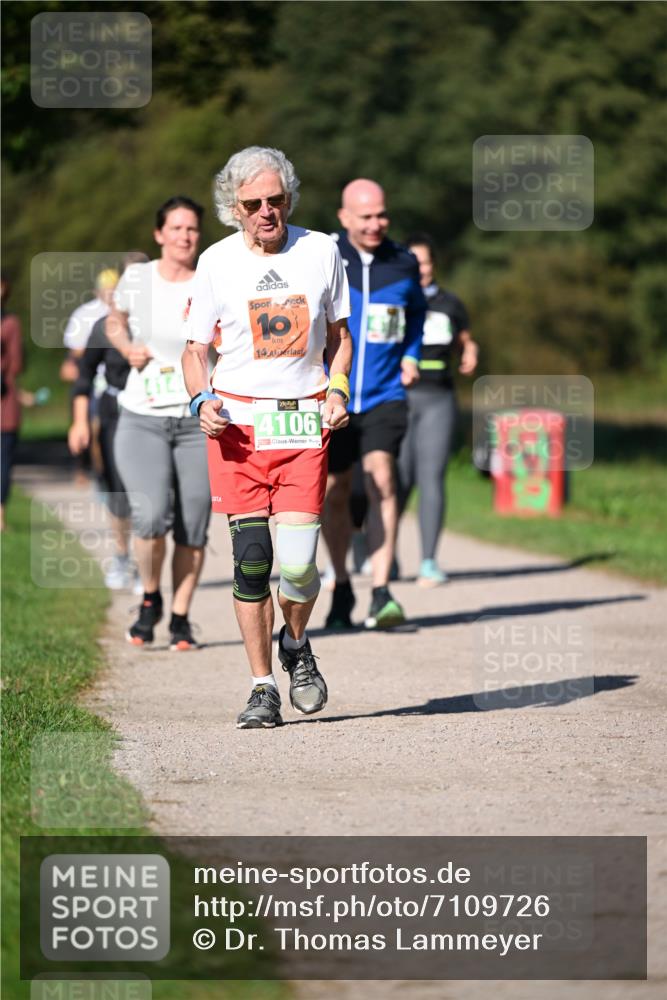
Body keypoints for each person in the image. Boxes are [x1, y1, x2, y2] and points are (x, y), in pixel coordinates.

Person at [182, 146, 352, 729]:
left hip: (302, 424)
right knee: (252, 563)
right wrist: (201, 400)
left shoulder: (321, 250)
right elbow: (195, 350)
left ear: (289, 199)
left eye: (275, 200)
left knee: (300, 568)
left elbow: (340, 336)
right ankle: (262, 688)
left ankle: (295, 643)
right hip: (238, 431)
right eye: (252, 204)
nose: (265, 212)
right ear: (233, 207)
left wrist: (337, 390)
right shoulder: (215, 261)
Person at [107, 197, 210, 650]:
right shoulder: (139, 278)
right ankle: (151, 598)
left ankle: (181, 617)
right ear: (159, 234)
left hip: (196, 420)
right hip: (142, 417)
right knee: (149, 516)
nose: (185, 236)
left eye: (192, 228)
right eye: (176, 228)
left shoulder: (211, 278)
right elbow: (114, 321)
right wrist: (127, 347)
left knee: (194, 521)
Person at [322, 179, 426, 630]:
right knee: (335, 490)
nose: (375, 224)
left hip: (385, 393)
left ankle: (381, 592)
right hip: (334, 396)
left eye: (381, 214)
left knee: (382, 478)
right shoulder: (325, 256)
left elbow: (417, 314)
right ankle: (342, 584)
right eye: (365, 216)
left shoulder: (403, 261)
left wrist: (411, 354)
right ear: (344, 217)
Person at [397, 234, 479, 585]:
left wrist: (470, 351)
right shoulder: (394, 300)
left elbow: (465, 339)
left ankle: (429, 561)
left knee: (431, 477)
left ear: (433, 265)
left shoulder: (450, 303)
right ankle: (382, 555)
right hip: (399, 398)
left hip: (439, 397)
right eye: (413, 263)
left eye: (425, 263)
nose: (421, 270)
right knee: (398, 478)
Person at [67, 252, 149, 591]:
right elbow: (83, 376)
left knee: (150, 492)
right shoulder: (105, 327)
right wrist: (80, 422)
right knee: (118, 488)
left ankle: (146, 565)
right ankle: (121, 555)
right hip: (115, 410)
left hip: (154, 412)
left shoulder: (163, 320)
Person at [1, 276, 23, 532]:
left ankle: (0, 517)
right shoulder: (10, 324)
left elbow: (16, 364)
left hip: (4, 402)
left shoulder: (10, 324)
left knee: (3, 462)